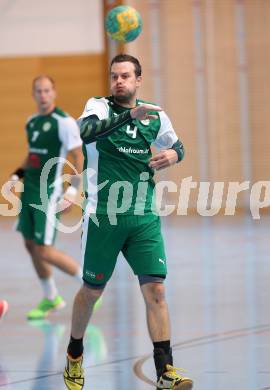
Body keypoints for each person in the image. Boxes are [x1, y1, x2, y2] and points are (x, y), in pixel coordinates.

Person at [63, 54, 193, 390]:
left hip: (143, 216)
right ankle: (75, 355)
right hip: (103, 217)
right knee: (91, 291)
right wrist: (126, 117)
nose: (119, 81)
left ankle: (166, 371)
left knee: (156, 290)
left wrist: (173, 155)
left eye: (125, 76)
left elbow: (178, 145)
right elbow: (84, 131)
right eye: (114, 76)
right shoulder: (99, 107)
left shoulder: (154, 115)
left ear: (138, 80)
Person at [9, 76, 84, 320]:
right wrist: (15, 176)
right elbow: (32, 155)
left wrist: (72, 191)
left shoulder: (64, 123)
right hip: (28, 189)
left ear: (54, 92)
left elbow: (78, 158)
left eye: (47, 90)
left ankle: (90, 285)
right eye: (38, 91)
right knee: (30, 245)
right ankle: (51, 297)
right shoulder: (31, 122)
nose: (43, 95)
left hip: (48, 192)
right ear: (33, 94)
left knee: (44, 250)